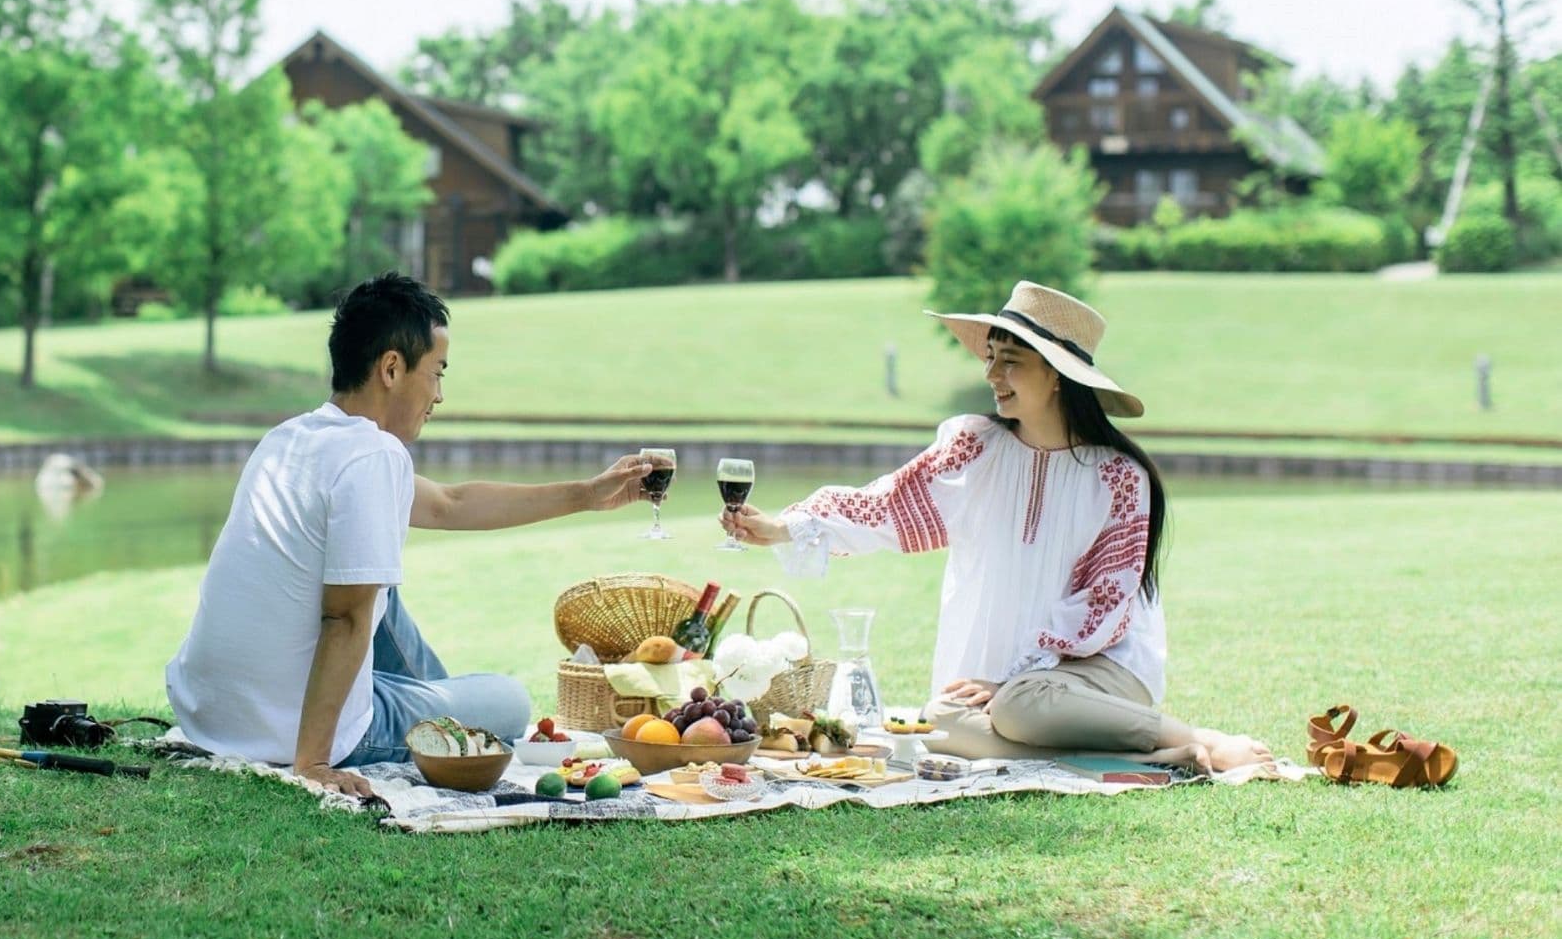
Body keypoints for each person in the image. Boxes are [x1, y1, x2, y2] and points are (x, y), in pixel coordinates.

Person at [724, 280, 1273, 775]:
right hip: (1004, 691)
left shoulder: (1119, 479)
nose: (991, 375)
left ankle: (1201, 739)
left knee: (1020, 706)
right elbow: (888, 505)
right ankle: (1149, 757)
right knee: (938, 721)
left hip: (1093, 676)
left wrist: (1016, 679)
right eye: (990, 358)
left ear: (1056, 375)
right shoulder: (973, 449)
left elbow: (1103, 608)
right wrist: (787, 528)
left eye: (1009, 361)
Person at [167, 272, 657, 798]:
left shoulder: (291, 438)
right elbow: (345, 618)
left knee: (377, 583)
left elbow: (451, 503)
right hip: (287, 730)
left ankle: (440, 713)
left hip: (214, 712)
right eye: (437, 373)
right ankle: (446, 726)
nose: (439, 395)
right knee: (508, 701)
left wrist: (587, 494)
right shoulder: (371, 458)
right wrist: (312, 763)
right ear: (392, 368)